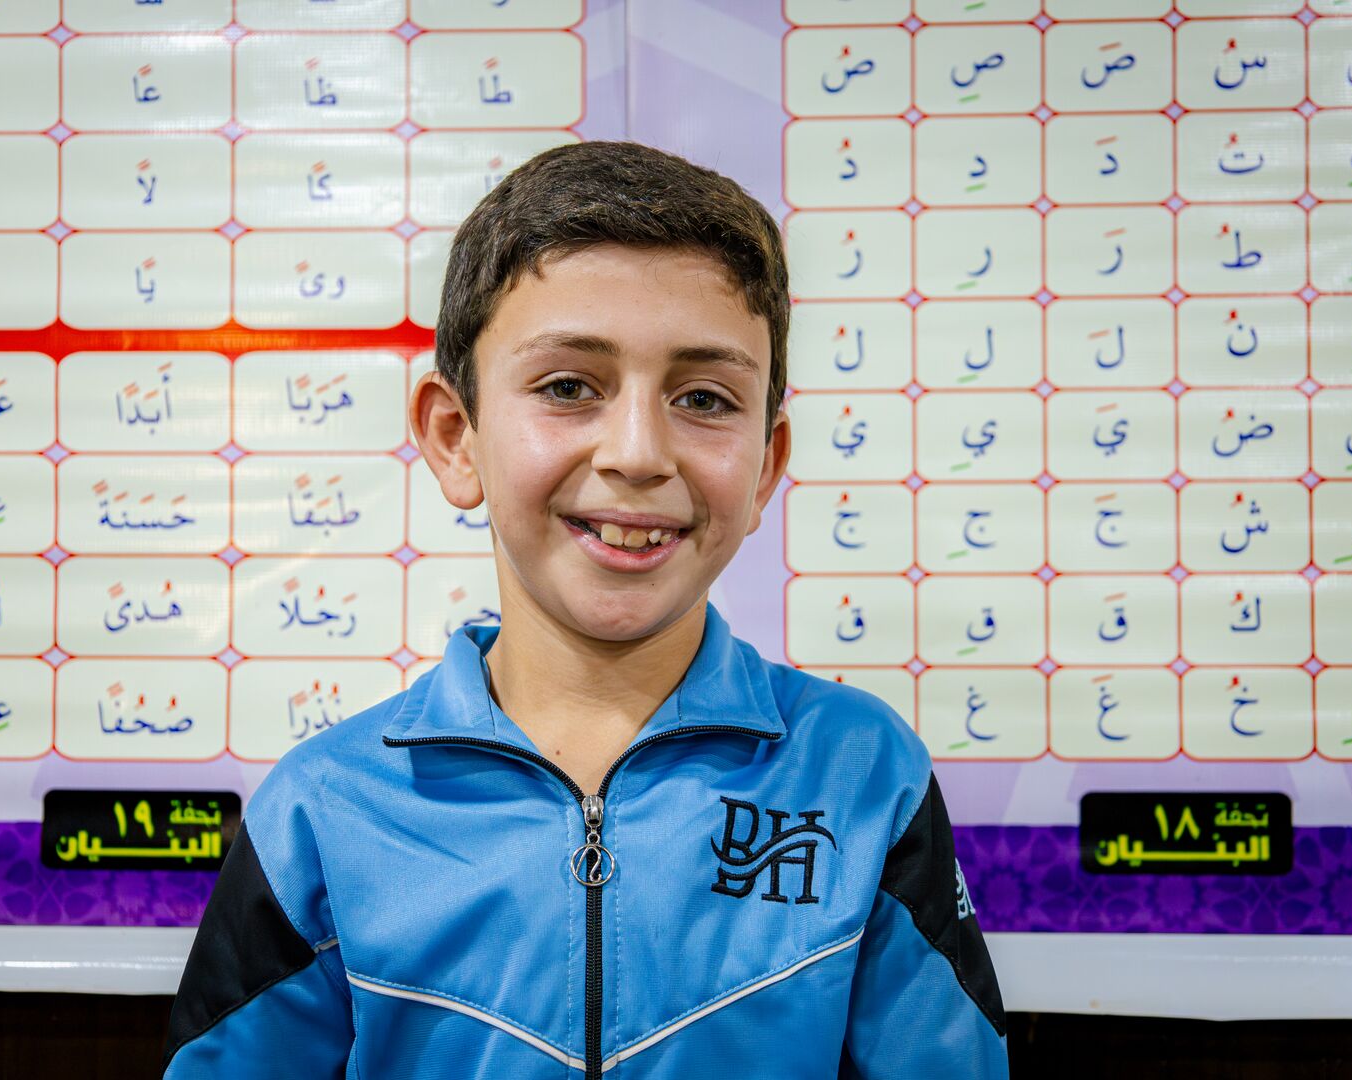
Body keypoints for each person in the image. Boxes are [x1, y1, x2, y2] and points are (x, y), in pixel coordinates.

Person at [162, 140, 1007, 1078]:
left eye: (704, 396)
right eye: (569, 386)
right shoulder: (323, 810)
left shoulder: (863, 775)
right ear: (456, 437)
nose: (639, 452)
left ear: (765, 466)